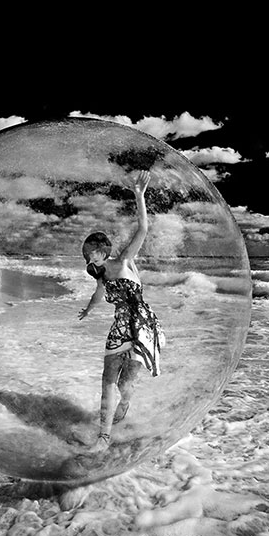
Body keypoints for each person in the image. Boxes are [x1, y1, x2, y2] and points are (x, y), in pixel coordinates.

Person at [79, 170, 165, 452]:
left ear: (102, 250)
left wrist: (139, 195)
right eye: (85, 254)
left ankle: (126, 402)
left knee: (125, 385)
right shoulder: (101, 275)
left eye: (90, 252)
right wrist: (88, 310)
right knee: (107, 379)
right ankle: (103, 438)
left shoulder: (125, 260)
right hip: (119, 327)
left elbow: (143, 229)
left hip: (142, 326)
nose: (87, 257)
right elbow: (98, 294)